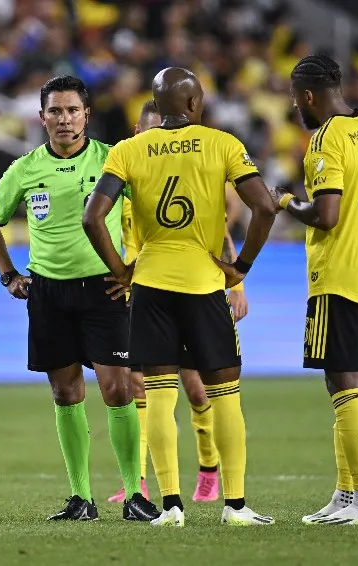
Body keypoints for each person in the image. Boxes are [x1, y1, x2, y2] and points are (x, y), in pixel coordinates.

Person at [83, 67, 276, 527]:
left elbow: (93, 217)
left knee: (159, 398)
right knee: (225, 396)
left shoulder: (129, 150)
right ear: (193, 104)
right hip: (204, 284)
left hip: (150, 286)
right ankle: (235, 506)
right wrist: (241, 268)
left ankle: (170, 506)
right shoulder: (222, 143)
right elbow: (265, 206)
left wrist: (122, 271)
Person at [0, 75, 159, 522]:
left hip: (105, 289)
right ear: (42, 118)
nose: (64, 119)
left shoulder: (113, 160)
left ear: (86, 115)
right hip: (49, 293)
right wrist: (8, 275)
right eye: (55, 111)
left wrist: (136, 267)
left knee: (119, 390)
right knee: (65, 392)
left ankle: (135, 494)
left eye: (72, 110)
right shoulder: (25, 168)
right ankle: (82, 498)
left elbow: (152, 210)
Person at [271, 55, 358, 525]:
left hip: (338, 273)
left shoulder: (325, 139)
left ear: (306, 95)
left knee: (345, 382)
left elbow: (327, 215)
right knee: (346, 379)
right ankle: (346, 493)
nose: (295, 107)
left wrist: (284, 200)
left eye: (293, 97)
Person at [107, 100, 250, 505]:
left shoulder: (182, 171)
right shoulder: (123, 175)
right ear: (138, 132)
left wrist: (237, 286)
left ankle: (208, 471)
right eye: (148, 132)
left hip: (190, 286)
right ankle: (137, 481)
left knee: (198, 389)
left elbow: (219, 224)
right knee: (140, 387)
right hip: (142, 291)